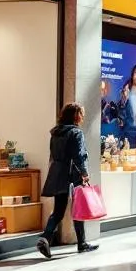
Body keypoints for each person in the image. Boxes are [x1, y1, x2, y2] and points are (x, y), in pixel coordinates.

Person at [37, 102, 97, 259]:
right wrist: (84, 173)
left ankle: (45, 237)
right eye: (81, 114)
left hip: (58, 172)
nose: (82, 117)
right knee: (79, 209)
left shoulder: (56, 133)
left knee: (58, 210)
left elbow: (53, 154)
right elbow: (79, 155)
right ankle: (82, 243)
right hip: (73, 174)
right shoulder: (76, 133)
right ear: (76, 116)